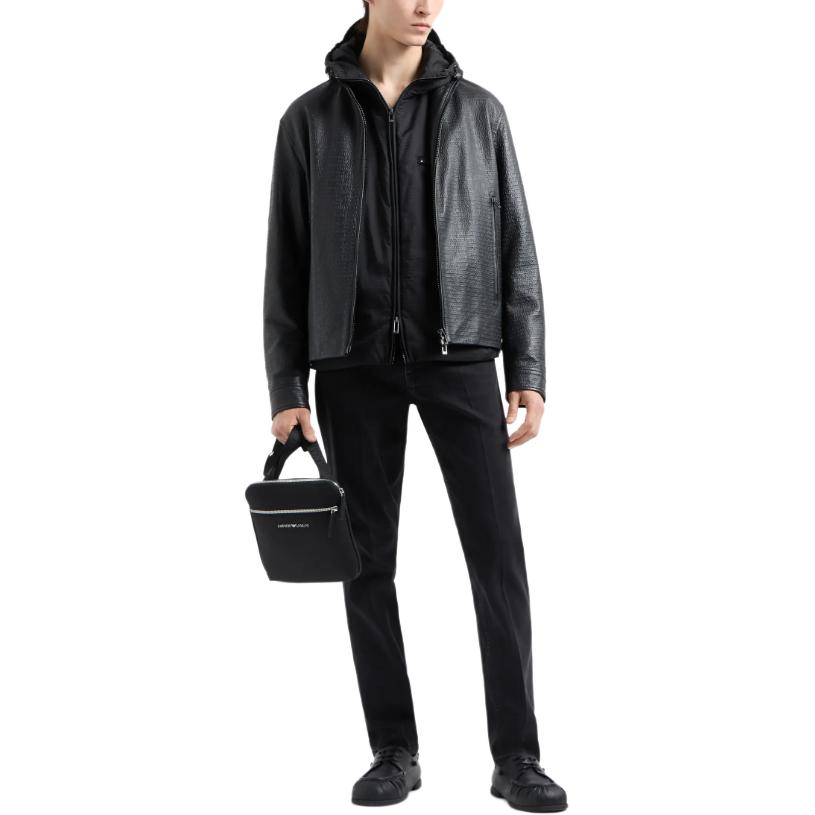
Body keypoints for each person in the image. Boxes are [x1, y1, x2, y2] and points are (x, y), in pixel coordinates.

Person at [262, 1, 567, 810]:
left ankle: (517, 755)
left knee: (497, 559)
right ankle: (393, 749)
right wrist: (287, 389)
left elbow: (516, 244)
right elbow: (285, 261)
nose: (425, 3)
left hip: (460, 354)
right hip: (351, 362)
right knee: (365, 563)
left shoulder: (479, 112)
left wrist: (527, 365)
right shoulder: (308, 120)